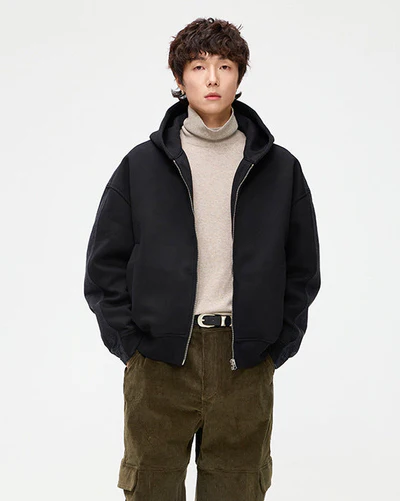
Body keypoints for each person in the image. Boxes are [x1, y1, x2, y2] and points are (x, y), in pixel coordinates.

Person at [84, 17, 321, 501]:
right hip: (159, 361)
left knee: (238, 490)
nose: (212, 78)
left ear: (239, 75)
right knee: (150, 489)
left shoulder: (280, 169)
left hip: (244, 361)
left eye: (225, 66)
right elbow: (104, 265)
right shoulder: (141, 166)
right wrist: (132, 347)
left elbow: (303, 268)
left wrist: (274, 347)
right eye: (198, 66)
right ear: (180, 78)